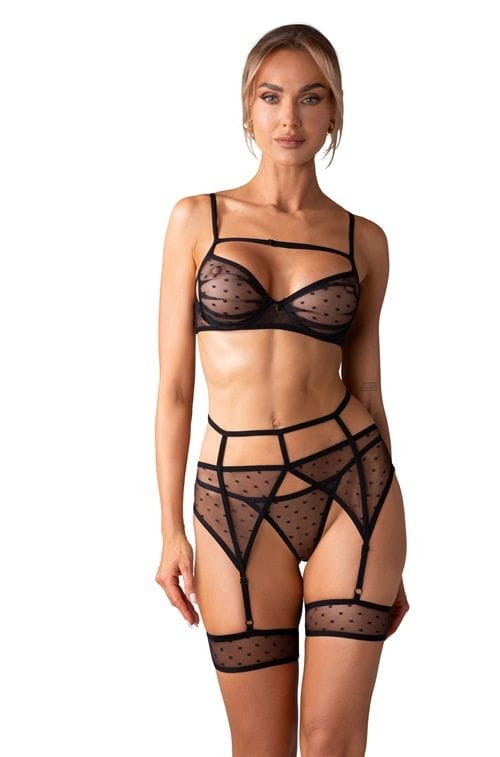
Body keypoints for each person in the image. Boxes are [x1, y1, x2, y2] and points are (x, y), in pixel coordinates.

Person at [155, 23, 409, 757]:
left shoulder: (364, 239)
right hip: (233, 497)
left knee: (332, 742)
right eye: (271, 97)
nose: (289, 118)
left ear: (335, 111)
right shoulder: (197, 219)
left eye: (310, 98)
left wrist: (389, 552)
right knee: (260, 745)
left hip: (353, 487)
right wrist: (170, 529)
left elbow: (366, 384)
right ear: (248, 109)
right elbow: (174, 389)